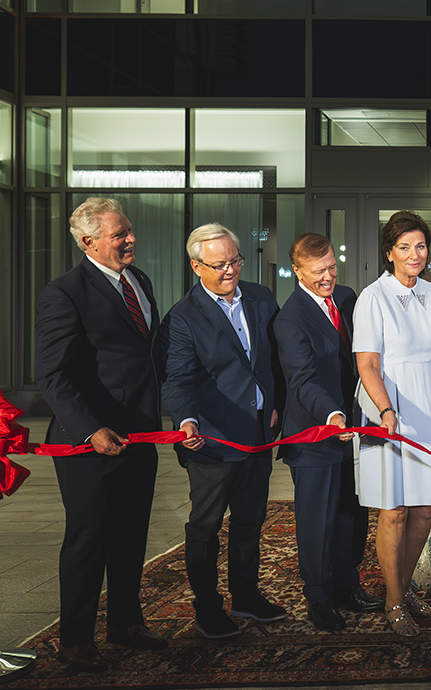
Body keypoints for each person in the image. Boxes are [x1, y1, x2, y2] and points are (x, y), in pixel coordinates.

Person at [35, 198, 167, 672]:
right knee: (88, 539)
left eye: (128, 230)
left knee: (132, 533)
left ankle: (126, 624)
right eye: (119, 234)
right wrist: (91, 429)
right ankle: (74, 640)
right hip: (87, 444)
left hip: (141, 436)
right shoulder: (63, 293)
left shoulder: (139, 281)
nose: (130, 239)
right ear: (89, 242)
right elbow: (51, 375)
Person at [160, 223, 286, 640]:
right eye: (219, 264)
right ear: (197, 266)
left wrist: (276, 404)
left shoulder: (262, 297)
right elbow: (177, 378)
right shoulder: (182, 317)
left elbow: (272, 360)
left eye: (235, 260)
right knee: (206, 527)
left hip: (257, 434)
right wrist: (185, 420)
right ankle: (207, 608)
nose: (230, 269)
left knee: (250, 524)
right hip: (212, 441)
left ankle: (246, 597)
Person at [353, 211, 431, 637]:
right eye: (404, 247)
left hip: (429, 409)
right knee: (394, 509)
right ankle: (394, 600)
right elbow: (368, 363)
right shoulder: (372, 297)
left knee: (425, 507)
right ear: (388, 252)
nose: (414, 254)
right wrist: (385, 411)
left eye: (420, 246)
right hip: (390, 408)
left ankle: (405, 586)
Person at [274, 233, 383, 631]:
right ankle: (318, 595)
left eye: (332, 268)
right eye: (319, 272)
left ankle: (346, 584)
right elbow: (301, 380)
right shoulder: (289, 319)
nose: (328, 278)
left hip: (354, 430)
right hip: (315, 434)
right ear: (298, 270)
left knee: (351, 514)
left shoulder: (349, 298)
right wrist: (332, 415)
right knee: (316, 519)